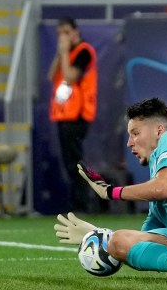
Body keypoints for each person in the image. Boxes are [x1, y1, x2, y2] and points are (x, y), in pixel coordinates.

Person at [56, 97, 167, 280]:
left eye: (135, 133)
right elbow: (142, 241)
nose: (129, 143)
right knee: (118, 242)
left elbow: (165, 188)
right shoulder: (155, 186)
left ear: (159, 130)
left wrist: (111, 192)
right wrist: (97, 235)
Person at [48, 17, 98, 213]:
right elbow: (52, 76)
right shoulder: (66, 54)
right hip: (64, 115)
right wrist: (60, 54)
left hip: (77, 115)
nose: (63, 37)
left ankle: (83, 204)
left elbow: (70, 76)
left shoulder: (83, 51)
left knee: (76, 162)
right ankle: (77, 203)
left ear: (76, 32)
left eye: (67, 32)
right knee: (69, 163)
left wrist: (64, 54)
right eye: (60, 33)